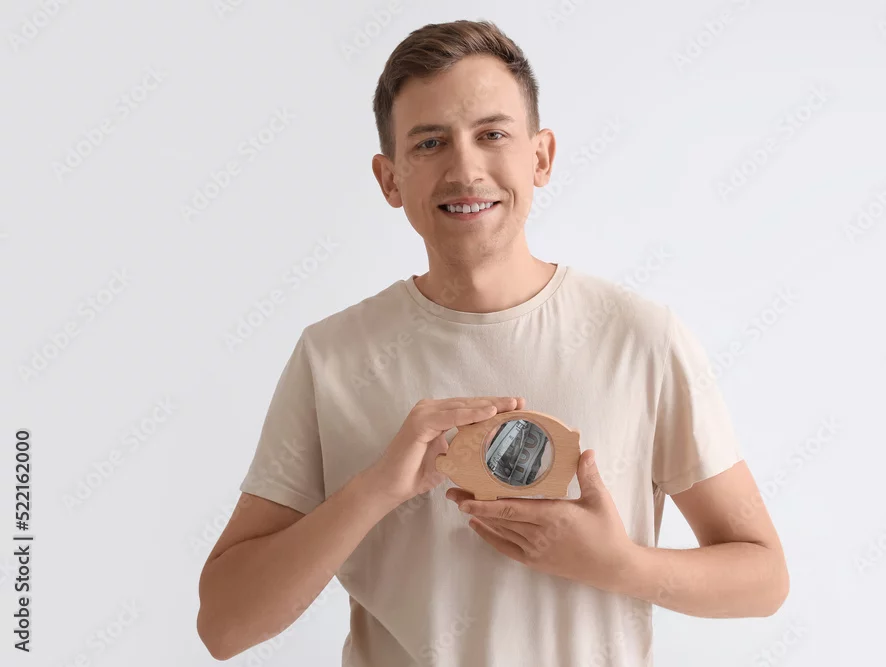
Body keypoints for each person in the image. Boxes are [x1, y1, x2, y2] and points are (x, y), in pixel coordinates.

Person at [196, 19, 788, 666]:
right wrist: (375, 489)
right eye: (429, 143)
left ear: (541, 157)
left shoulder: (642, 339)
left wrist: (619, 564)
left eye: (492, 134)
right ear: (389, 179)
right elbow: (224, 625)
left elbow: (763, 577)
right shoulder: (331, 359)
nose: (465, 168)